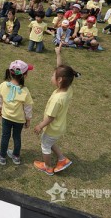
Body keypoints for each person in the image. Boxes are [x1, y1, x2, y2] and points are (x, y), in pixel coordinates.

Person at [34, 45, 80, 175]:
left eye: (53, 75)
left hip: (52, 127)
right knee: (50, 141)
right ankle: (62, 159)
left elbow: (50, 118)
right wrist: (58, 54)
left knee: (45, 145)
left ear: (59, 80)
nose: (51, 76)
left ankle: (47, 167)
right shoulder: (68, 89)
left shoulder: (57, 99)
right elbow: (62, 69)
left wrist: (39, 126)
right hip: (59, 127)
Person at [0, 60, 34, 165]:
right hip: (19, 120)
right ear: (24, 75)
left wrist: (0, 108)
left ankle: (2, 156)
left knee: (5, 136)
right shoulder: (25, 91)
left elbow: (0, 98)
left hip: (6, 117)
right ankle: (16, 156)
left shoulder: (3, 85)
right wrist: (28, 120)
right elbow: (28, 107)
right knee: (17, 137)